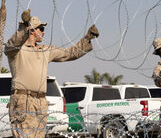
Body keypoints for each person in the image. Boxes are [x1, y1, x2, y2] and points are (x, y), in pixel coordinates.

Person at [5, 9, 99, 138]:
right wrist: (23, 27)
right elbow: (11, 45)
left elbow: (70, 53)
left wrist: (87, 38)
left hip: (40, 101)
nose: (43, 32)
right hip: (22, 100)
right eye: (41, 29)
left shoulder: (45, 50)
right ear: (32, 30)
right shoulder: (17, 50)